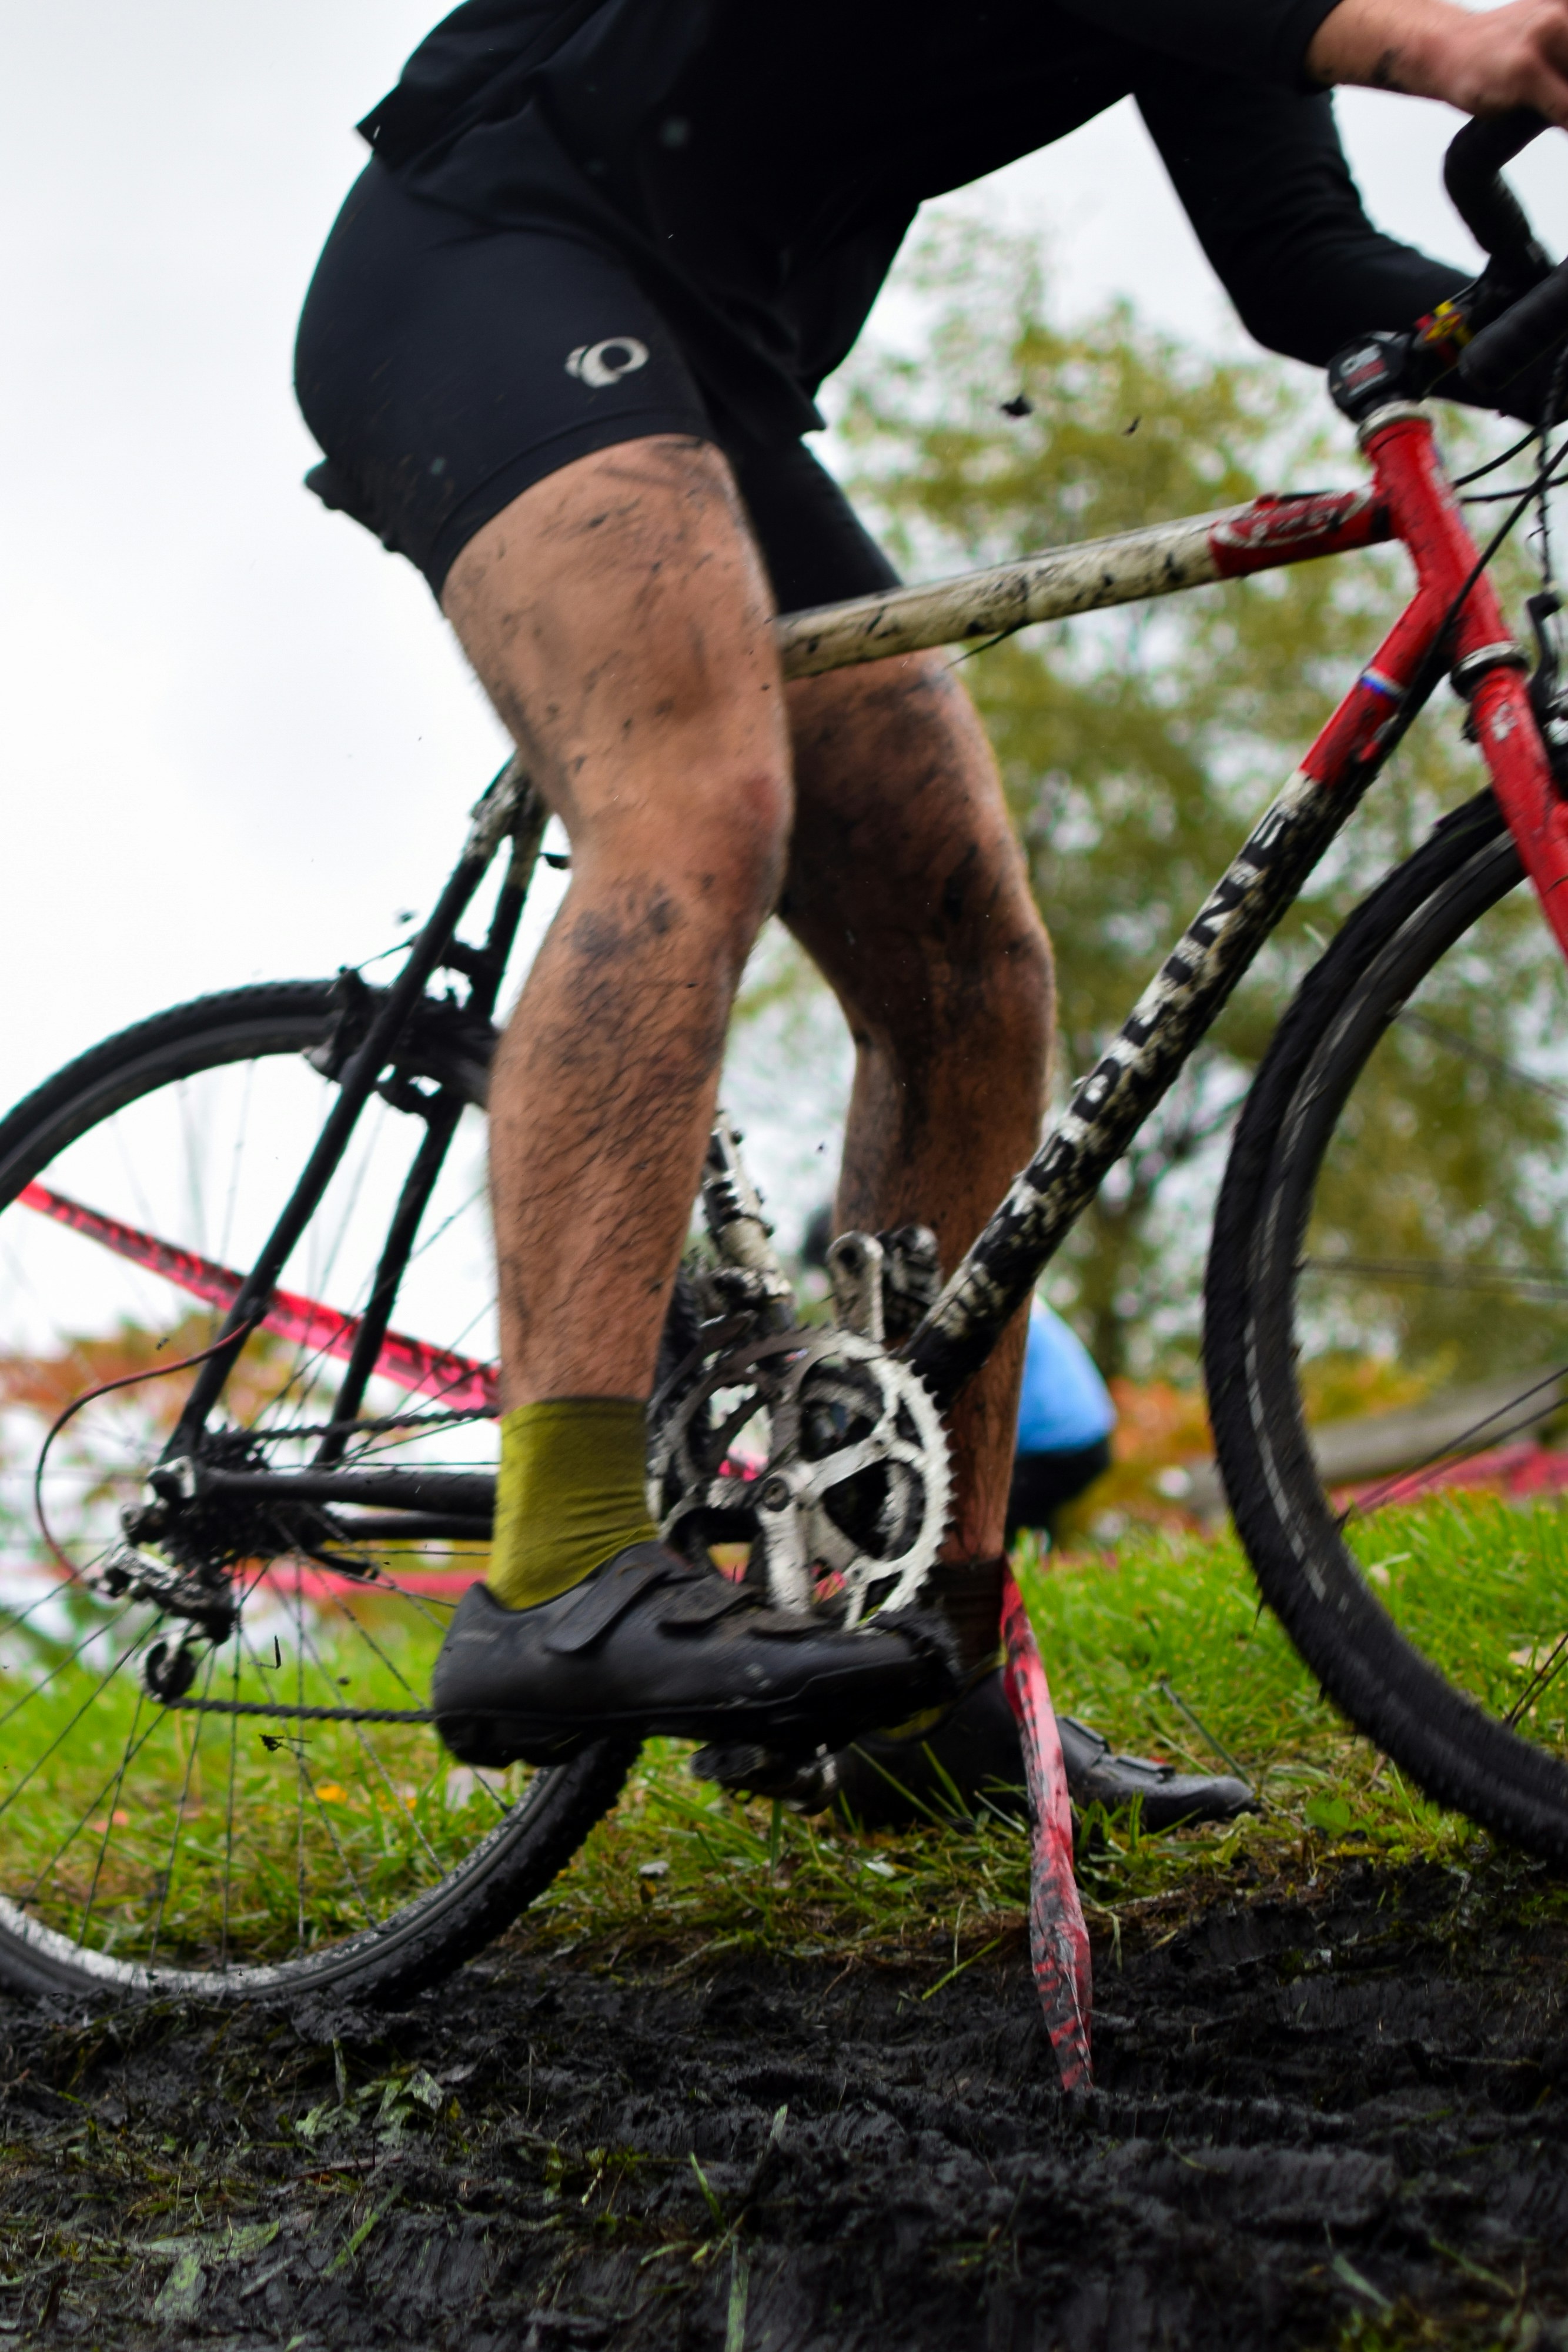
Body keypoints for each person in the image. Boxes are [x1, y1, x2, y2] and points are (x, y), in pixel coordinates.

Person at [294, 0, 1568, 1781]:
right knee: (695, 794)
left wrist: (1519, 335)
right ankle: (560, 1559)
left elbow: (1300, 264)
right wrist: (1422, 42)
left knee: (970, 958)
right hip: (485, 260)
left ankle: (906, 1658)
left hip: (710, 369)